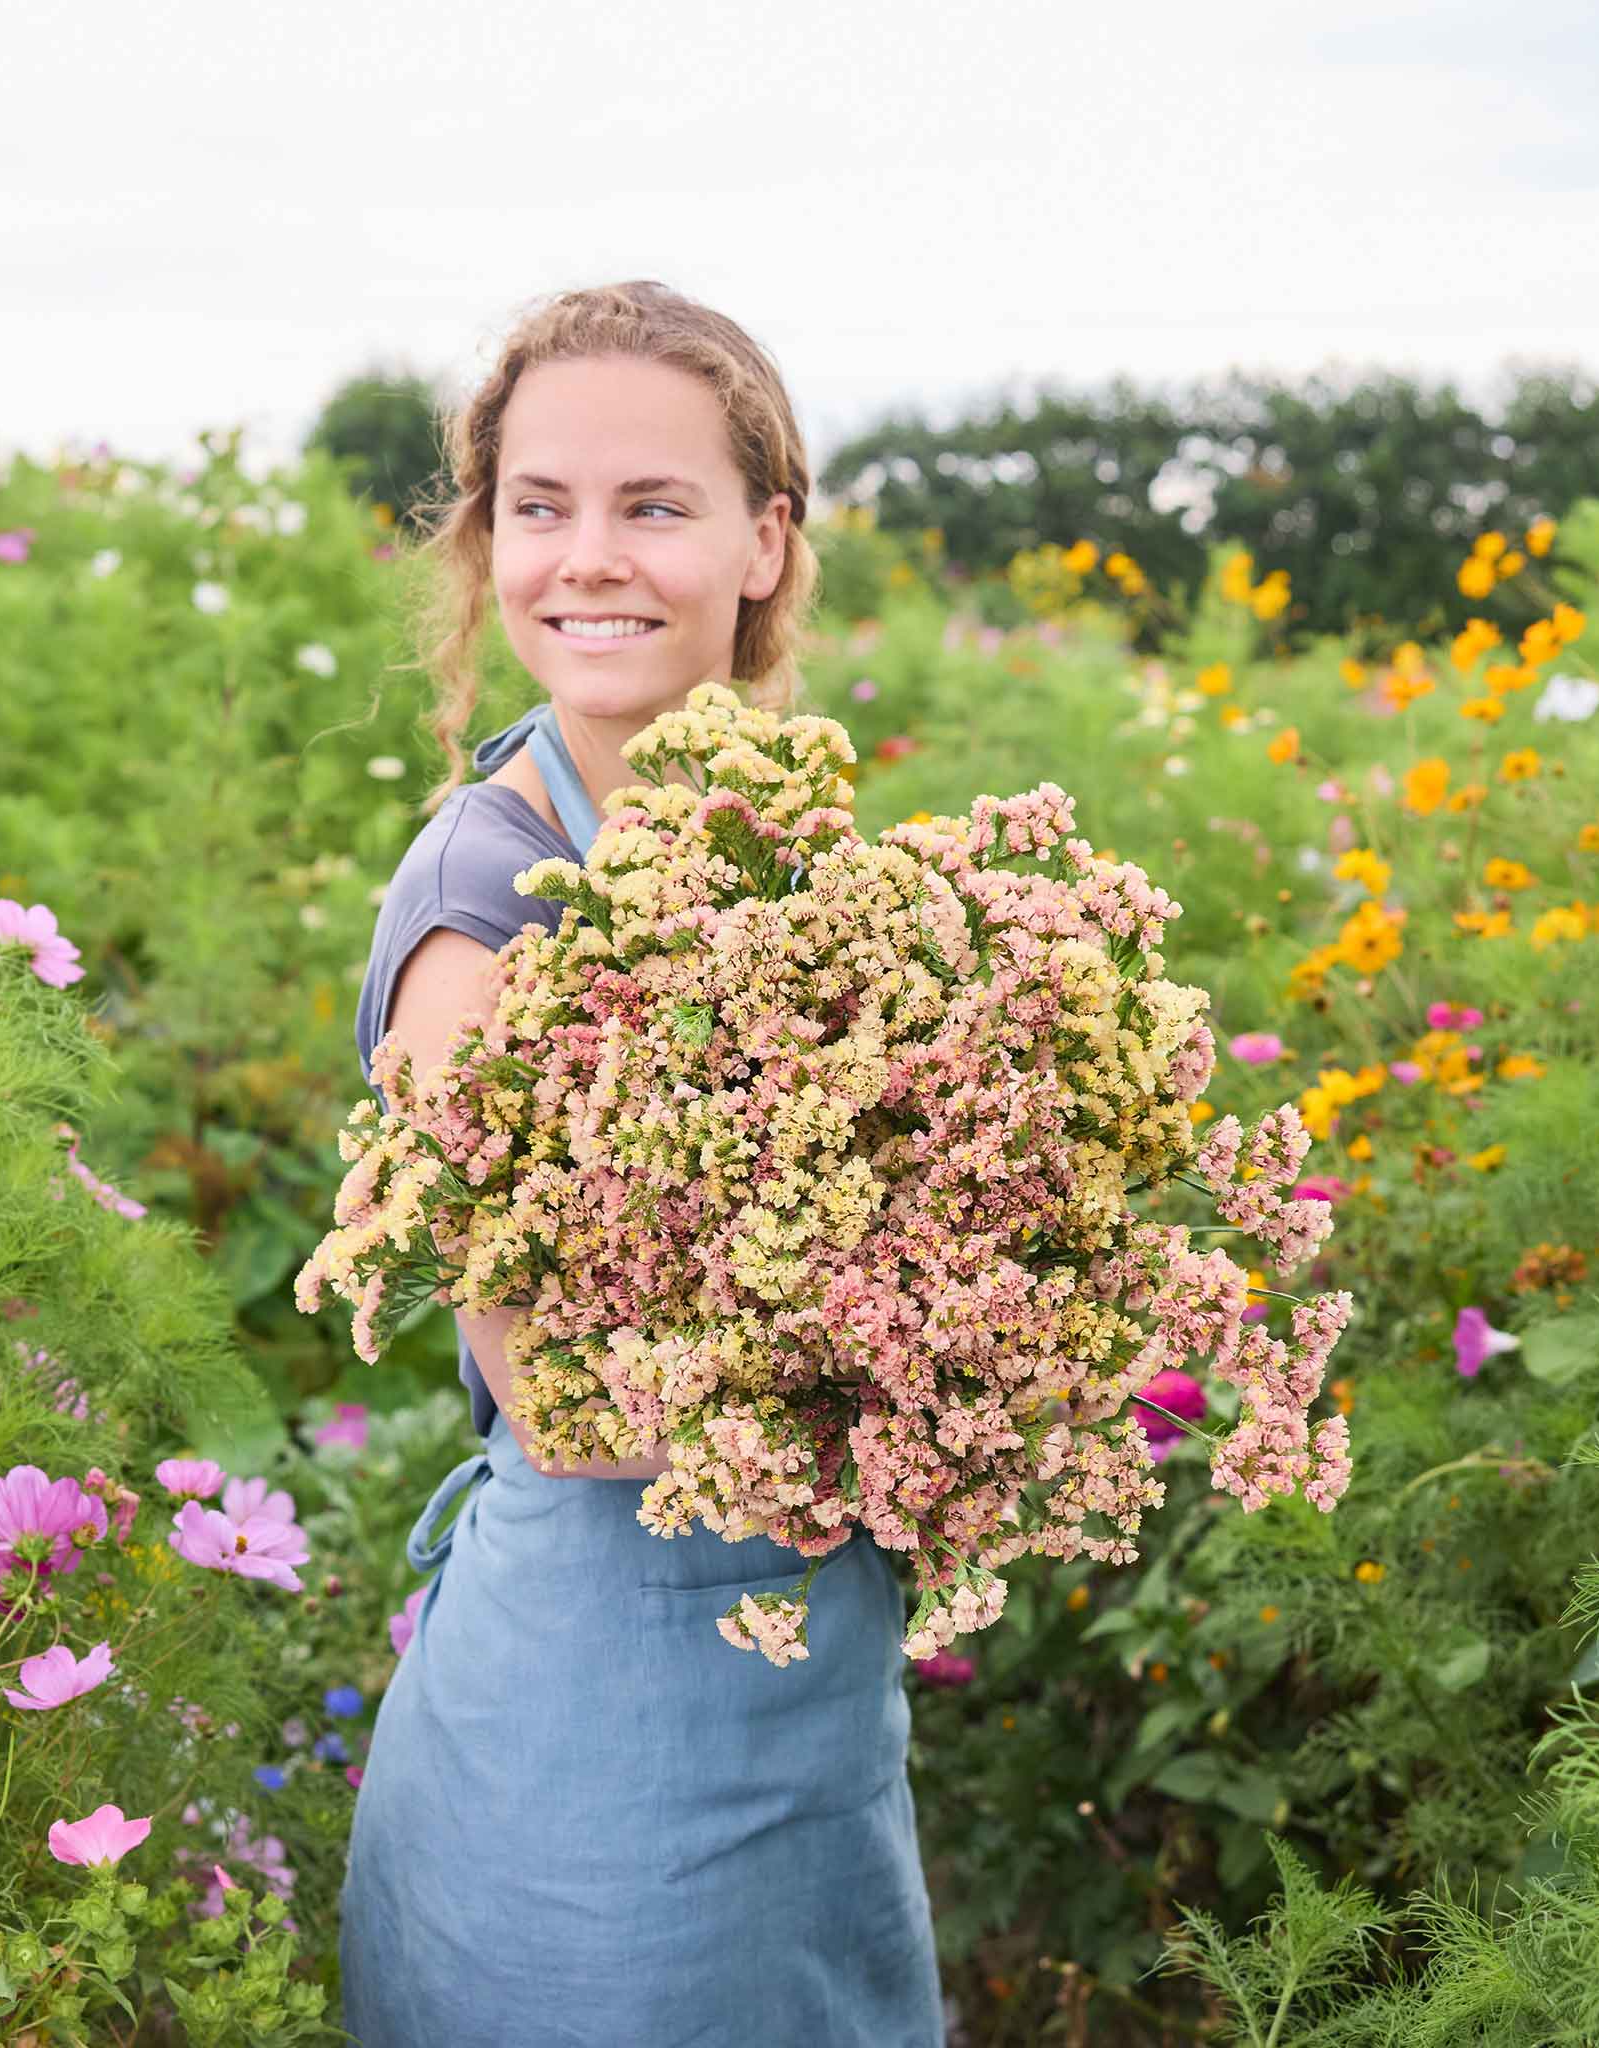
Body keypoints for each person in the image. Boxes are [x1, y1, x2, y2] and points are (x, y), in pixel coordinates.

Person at [335, 281, 946, 2048]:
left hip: (798, 1701)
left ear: (764, 541)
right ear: (487, 539)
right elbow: (567, 1405)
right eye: (541, 507)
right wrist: (954, 1387)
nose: (586, 559)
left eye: (651, 507)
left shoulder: (754, 838)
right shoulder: (487, 902)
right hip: (605, 1759)